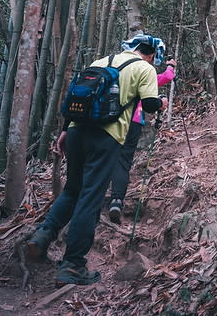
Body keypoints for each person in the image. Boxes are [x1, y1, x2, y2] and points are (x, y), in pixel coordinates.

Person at [27, 34, 168, 285]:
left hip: (75, 132)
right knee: (90, 197)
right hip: (105, 136)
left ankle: (43, 235)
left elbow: (77, 100)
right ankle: (73, 265)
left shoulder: (101, 61)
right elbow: (148, 105)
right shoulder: (144, 68)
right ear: (150, 55)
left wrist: (64, 132)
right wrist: (162, 103)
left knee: (72, 190)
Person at [107, 44, 177, 224]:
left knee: (105, 157)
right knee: (123, 160)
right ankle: (116, 200)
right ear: (151, 56)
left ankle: (93, 197)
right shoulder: (146, 73)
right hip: (133, 120)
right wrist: (171, 65)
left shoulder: (113, 68)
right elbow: (168, 77)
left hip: (107, 119)